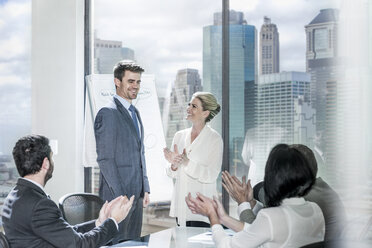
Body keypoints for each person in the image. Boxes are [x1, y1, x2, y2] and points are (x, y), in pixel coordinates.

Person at [1, 135, 134, 248]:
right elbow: (79, 244)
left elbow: (66, 234)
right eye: (52, 158)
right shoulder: (39, 205)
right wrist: (113, 221)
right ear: (46, 163)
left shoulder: (15, 196)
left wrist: (99, 223)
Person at [186, 144, 325, 248]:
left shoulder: (272, 218)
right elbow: (260, 233)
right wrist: (223, 218)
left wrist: (212, 216)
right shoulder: (315, 210)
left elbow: (226, 245)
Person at [222, 144, 346, 241]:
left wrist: (243, 203)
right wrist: (250, 202)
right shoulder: (319, 188)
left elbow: (259, 236)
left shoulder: (305, 199)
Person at [94, 60, 150, 242]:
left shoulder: (135, 113)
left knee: (132, 243)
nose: (135, 86)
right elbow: (105, 160)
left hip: (136, 195)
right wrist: (121, 196)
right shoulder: (108, 113)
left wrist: (145, 188)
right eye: (131, 81)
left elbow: (140, 154)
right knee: (117, 243)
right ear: (117, 82)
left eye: (138, 82)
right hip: (118, 198)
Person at [164, 91, 222, 227]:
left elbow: (211, 175)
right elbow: (172, 173)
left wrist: (186, 162)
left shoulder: (214, 139)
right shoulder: (179, 136)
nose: (188, 108)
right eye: (189, 104)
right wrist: (173, 165)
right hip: (181, 208)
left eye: (194, 106)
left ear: (205, 113)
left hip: (202, 208)